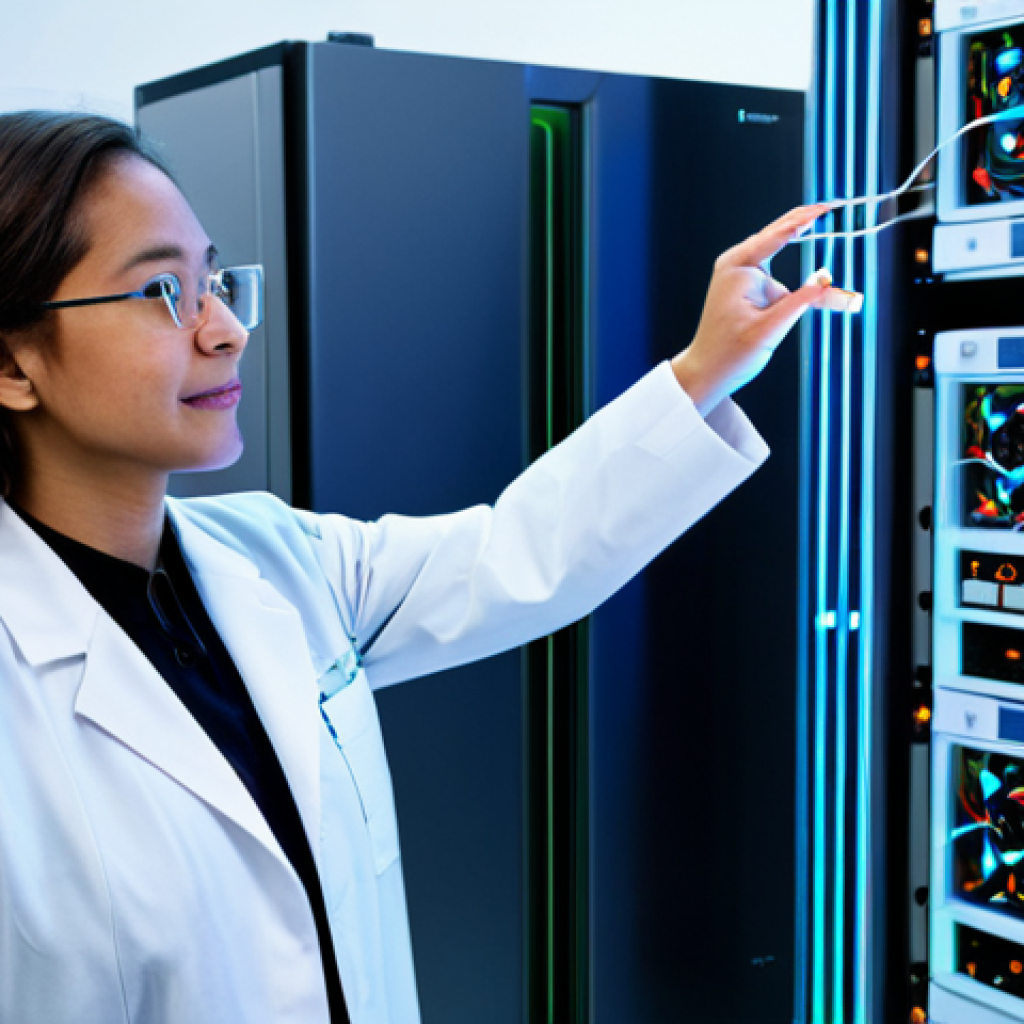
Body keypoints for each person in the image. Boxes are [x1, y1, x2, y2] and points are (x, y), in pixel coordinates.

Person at [0, 111, 845, 1024]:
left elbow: (520, 555)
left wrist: (703, 368)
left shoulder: (278, 562)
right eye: (164, 293)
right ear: (13, 365)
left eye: (215, 282)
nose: (226, 331)